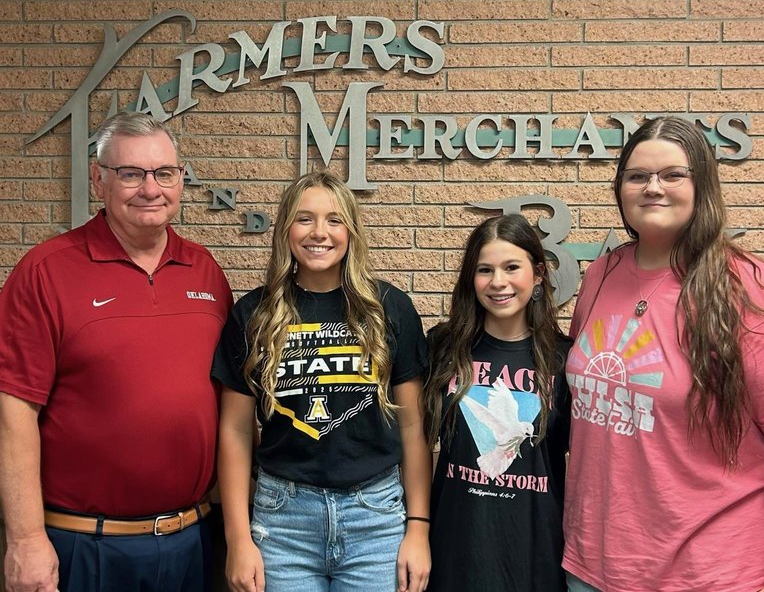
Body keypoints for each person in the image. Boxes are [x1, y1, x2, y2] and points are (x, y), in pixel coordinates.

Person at [563, 116, 764, 592]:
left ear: (702, 185)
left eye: (673, 174)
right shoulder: (601, 275)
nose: (653, 187)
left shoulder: (753, 293)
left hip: (709, 574)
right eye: (637, 176)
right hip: (592, 569)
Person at [0, 111, 233, 592]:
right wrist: (25, 539)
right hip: (83, 547)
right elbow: (13, 411)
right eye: (131, 174)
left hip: (191, 541)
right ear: (98, 179)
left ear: (181, 179)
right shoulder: (46, 271)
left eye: (164, 173)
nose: (151, 189)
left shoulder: (204, 271)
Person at [213, 171, 431, 592]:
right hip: (283, 521)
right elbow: (235, 429)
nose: (319, 233)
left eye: (334, 220)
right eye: (304, 218)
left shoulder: (390, 308)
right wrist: (237, 539)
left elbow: (413, 426)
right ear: (285, 230)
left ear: (351, 231)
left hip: (376, 518)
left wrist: (418, 528)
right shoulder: (254, 313)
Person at [424, 214, 572, 591]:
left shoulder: (566, 359)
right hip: (453, 547)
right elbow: (414, 442)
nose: (498, 282)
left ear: (538, 274)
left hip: (535, 553)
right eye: (485, 270)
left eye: (511, 267)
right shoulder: (442, 347)